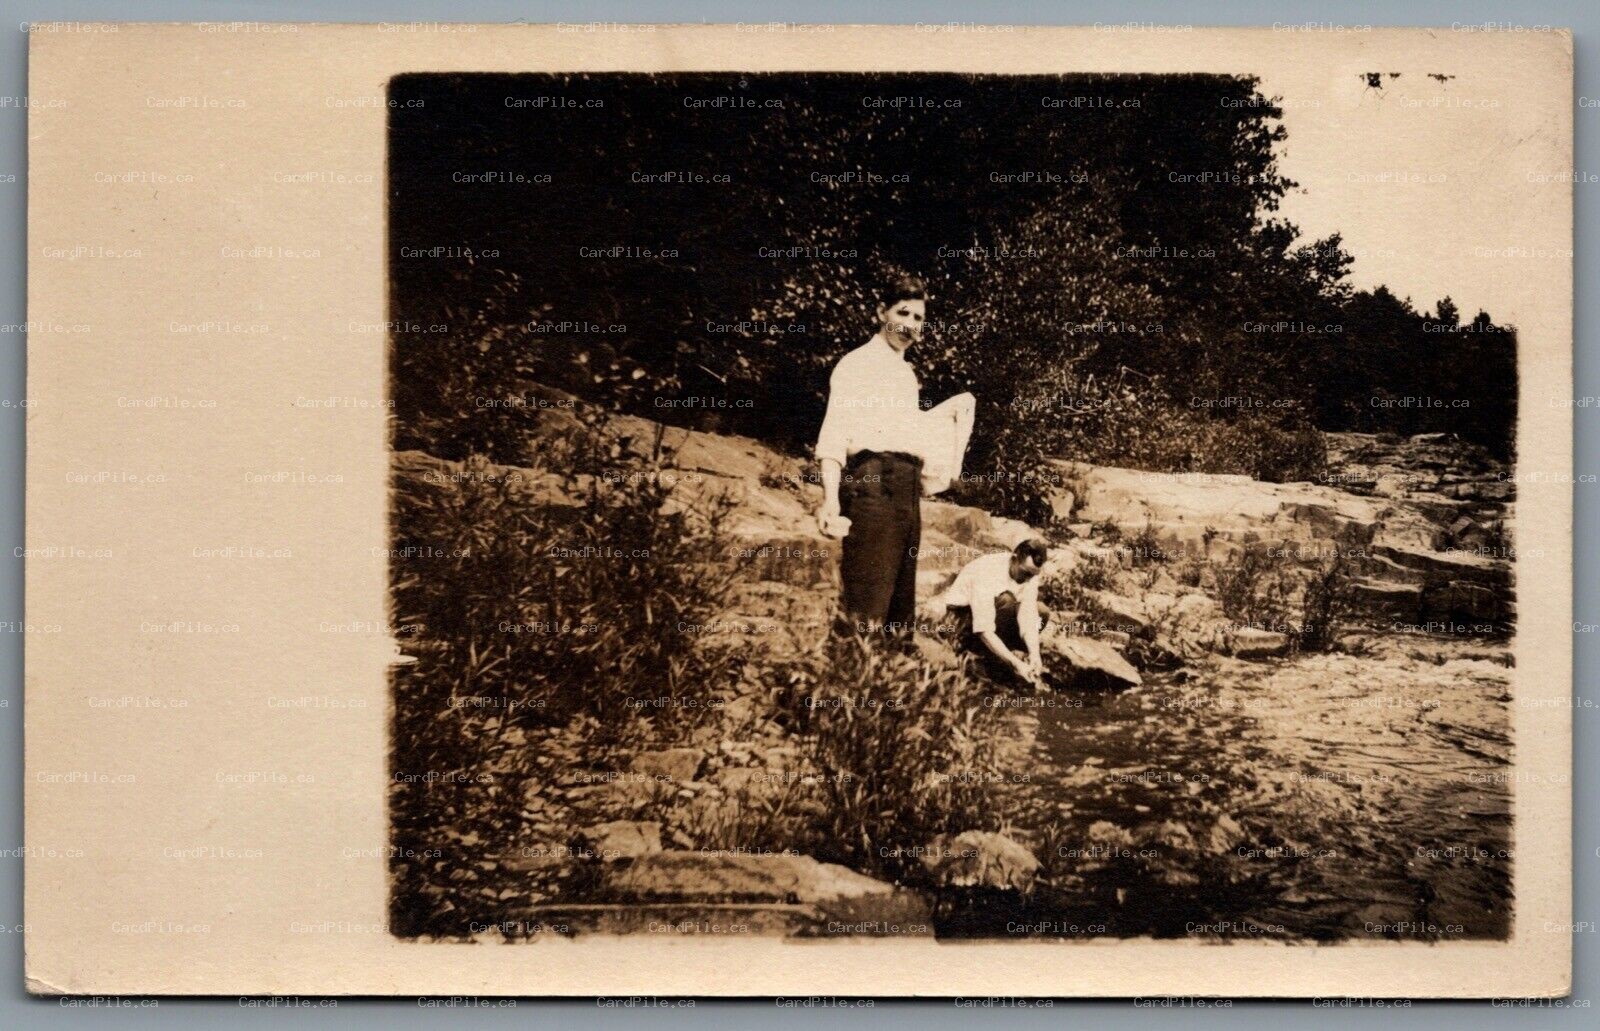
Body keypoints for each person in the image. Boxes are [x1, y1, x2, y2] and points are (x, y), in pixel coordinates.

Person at [814, 273, 973, 634]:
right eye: (902, 313)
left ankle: (887, 687)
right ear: (880, 313)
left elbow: (903, 434)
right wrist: (830, 501)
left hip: (906, 492)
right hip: (872, 484)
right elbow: (834, 436)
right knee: (866, 608)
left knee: (899, 614)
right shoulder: (856, 363)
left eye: (918, 319)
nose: (909, 325)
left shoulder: (905, 374)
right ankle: (845, 686)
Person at [928, 539, 1051, 689]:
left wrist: (1035, 654)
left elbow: (1028, 616)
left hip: (994, 617)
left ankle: (1003, 656)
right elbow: (984, 629)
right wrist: (1016, 663)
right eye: (1024, 573)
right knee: (1007, 600)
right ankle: (981, 657)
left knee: (1041, 612)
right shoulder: (987, 570)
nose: (1026, 580)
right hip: (961, 621)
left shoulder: (1030, 572)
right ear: (1014, 559)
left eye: (1031, 576)